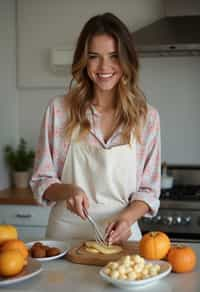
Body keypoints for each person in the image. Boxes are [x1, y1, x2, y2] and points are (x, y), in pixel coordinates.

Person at [30, 12, 161, 244]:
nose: (104, 66)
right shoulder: (59, 110)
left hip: (122, 238)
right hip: (65, 241)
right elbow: (42, 180)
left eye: (113, 56)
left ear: (126, 60)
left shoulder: (146, 117)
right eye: (94, 56)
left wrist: (127, 219)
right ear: (84, 60)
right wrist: (69, 190)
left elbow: (148, 191)